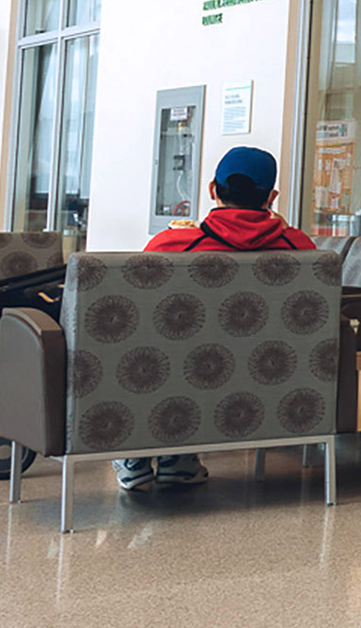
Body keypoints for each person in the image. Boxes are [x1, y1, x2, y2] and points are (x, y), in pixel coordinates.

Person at [122, 147, 315, 491]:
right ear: (271, 197)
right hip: (270, 380)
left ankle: (136, 455)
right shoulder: (301, 250)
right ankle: (179, 460)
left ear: (213, 189)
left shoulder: (172, 245)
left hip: (180, 377)